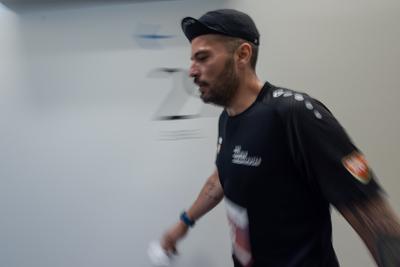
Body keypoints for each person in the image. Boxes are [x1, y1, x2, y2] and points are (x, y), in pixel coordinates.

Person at [160, 9, 400, 267]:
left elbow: (373, 218)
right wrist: (184, 222)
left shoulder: (294, 115)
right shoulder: (227, 118)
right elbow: (222, 176)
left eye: (203, 57)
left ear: (242, 54)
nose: (191, 71)